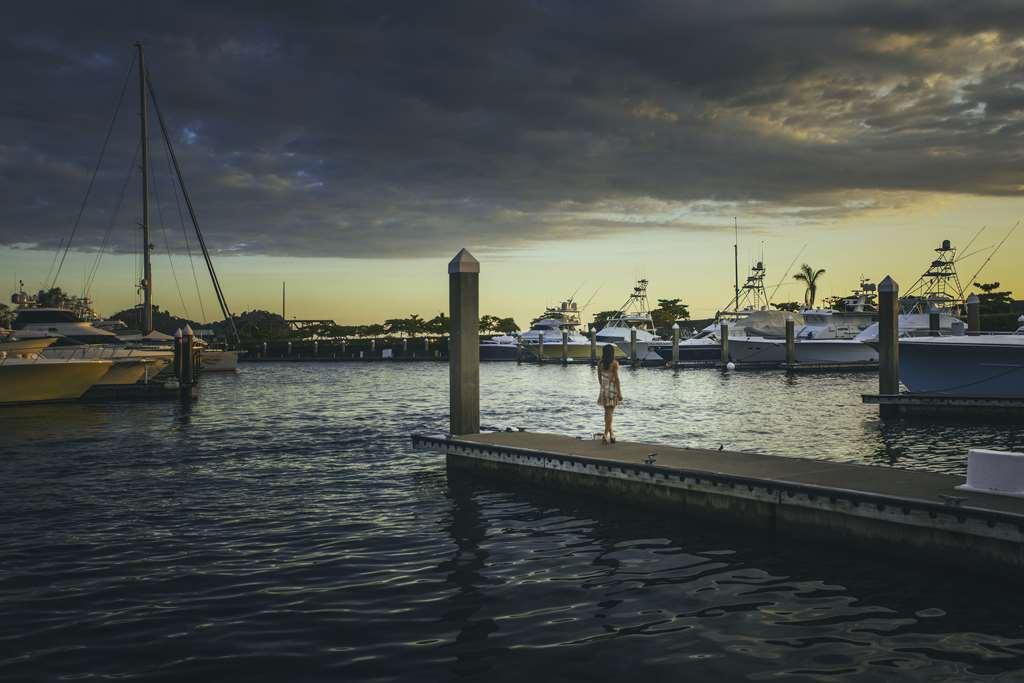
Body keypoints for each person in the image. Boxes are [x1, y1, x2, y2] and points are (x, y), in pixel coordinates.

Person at [596, 344, 622, 444]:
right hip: (612, 389)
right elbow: (617, 379)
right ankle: (605, 435)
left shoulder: (600, 363)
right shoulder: (614, 363)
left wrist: (603, 386)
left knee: (607, 413)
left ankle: (611, 435)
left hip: (603, 388)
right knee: (610, 413)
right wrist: (619, 393)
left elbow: (599, 377)